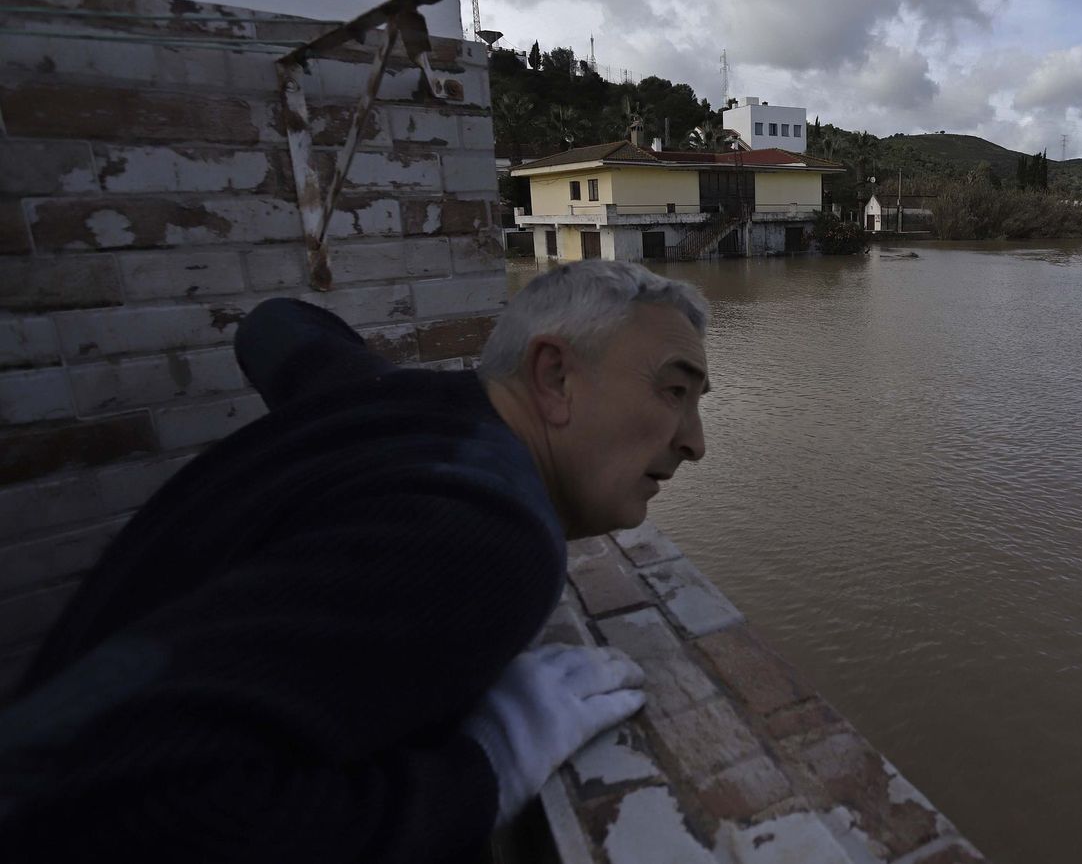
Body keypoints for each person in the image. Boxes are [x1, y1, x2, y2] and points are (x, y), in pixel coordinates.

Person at [0, 260, 711, 862]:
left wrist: (367, 377)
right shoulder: (487, 532)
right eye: (674, 392)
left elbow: (274, 325)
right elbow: (103, 814)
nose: (694, 441)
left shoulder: (396, 408)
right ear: (554, 376)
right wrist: (487, 766)